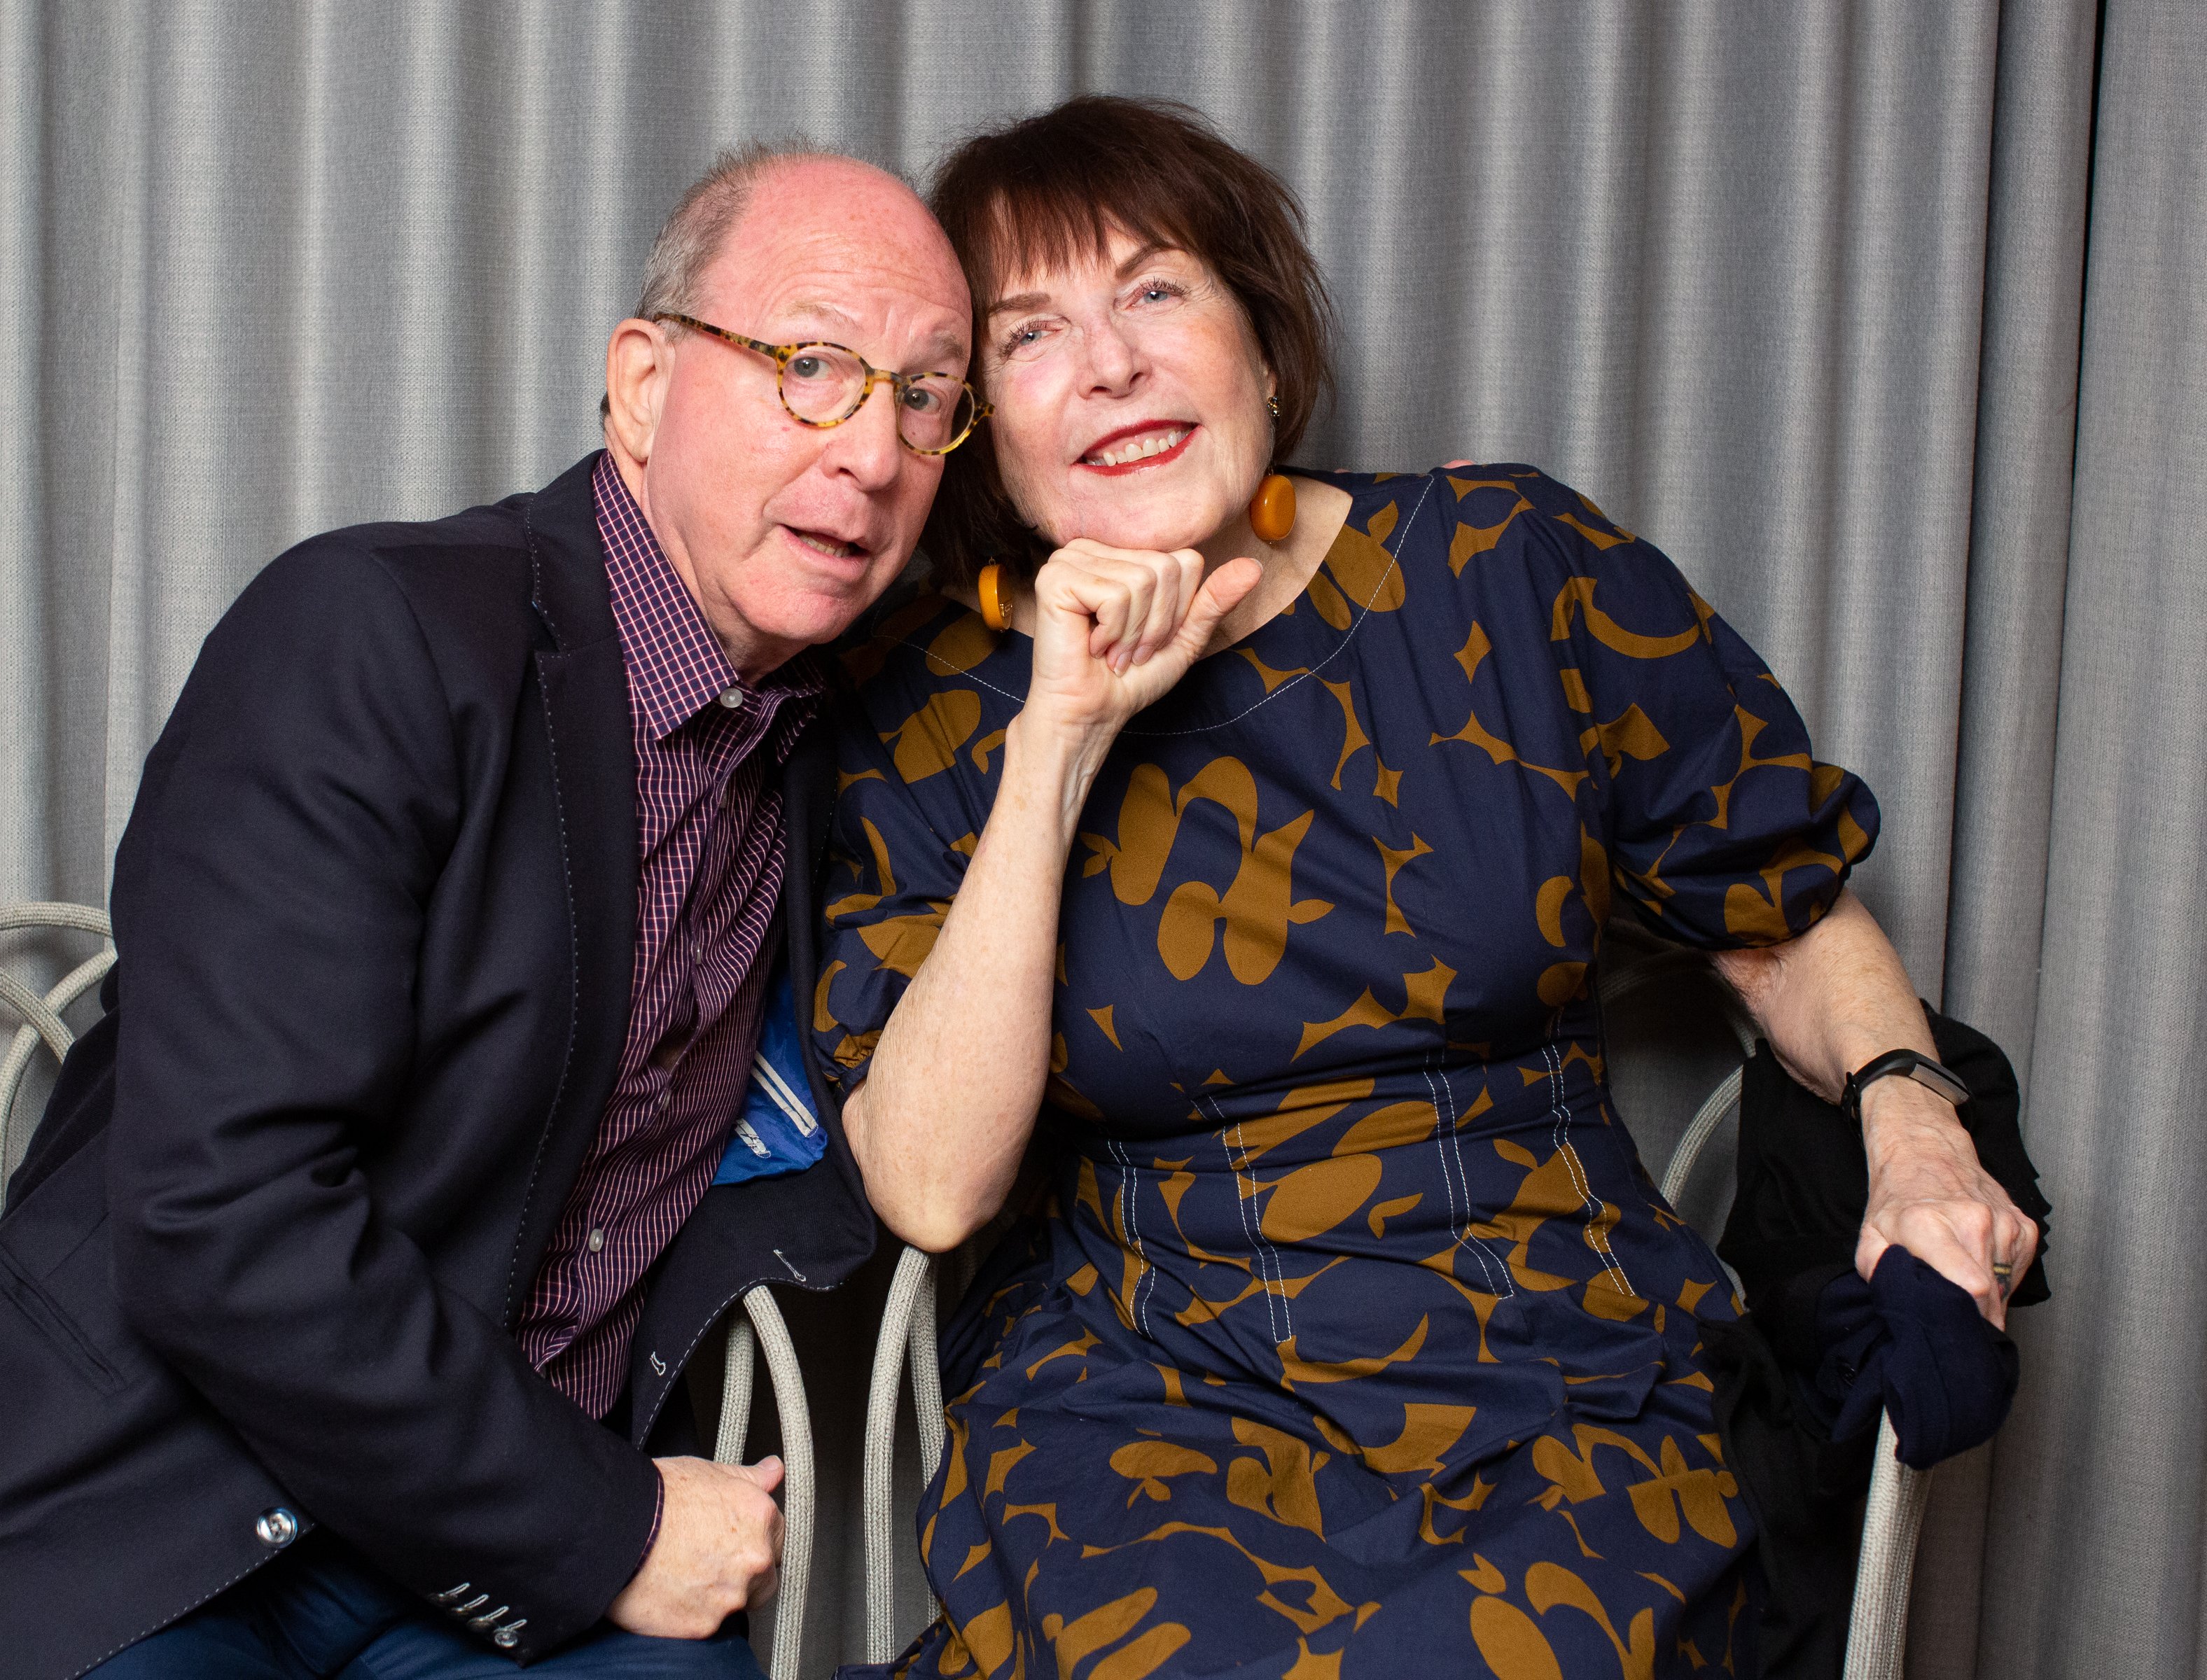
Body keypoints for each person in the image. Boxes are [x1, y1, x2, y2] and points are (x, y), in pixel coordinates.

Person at [815, 97, 2041, 1677]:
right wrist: (1059, 733)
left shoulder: (1503, 567)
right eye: (1033, 333)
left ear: (1262, 343)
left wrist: (1909, 1113)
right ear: (985, 431)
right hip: (1153, 1380)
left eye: (1157, 290)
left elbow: (1778, 911)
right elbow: (927, 1188)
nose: (1110, 364)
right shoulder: (938, 706)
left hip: (1554, 1351)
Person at [0, 145, 977, 1680]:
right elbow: (225, 1217)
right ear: (639, 386)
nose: (873, 451)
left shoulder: (834, 745)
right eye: (810, 366)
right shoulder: (377, 635)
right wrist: (606, 1525)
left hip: (476, 1582)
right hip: (141, 1518)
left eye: (925, 398)